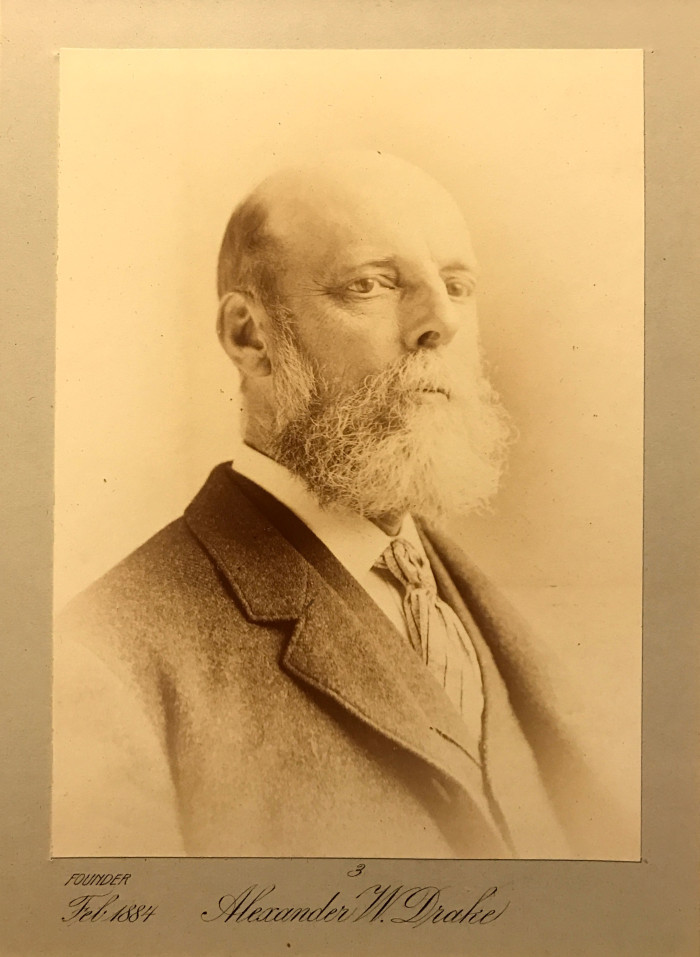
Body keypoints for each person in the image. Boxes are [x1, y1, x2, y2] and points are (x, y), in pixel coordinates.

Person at [53, 152, 617, 859]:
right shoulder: (104, 659)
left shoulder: (478, 607)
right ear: (248, 336)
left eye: (457, 284)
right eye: (372, 284)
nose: (438, 321)